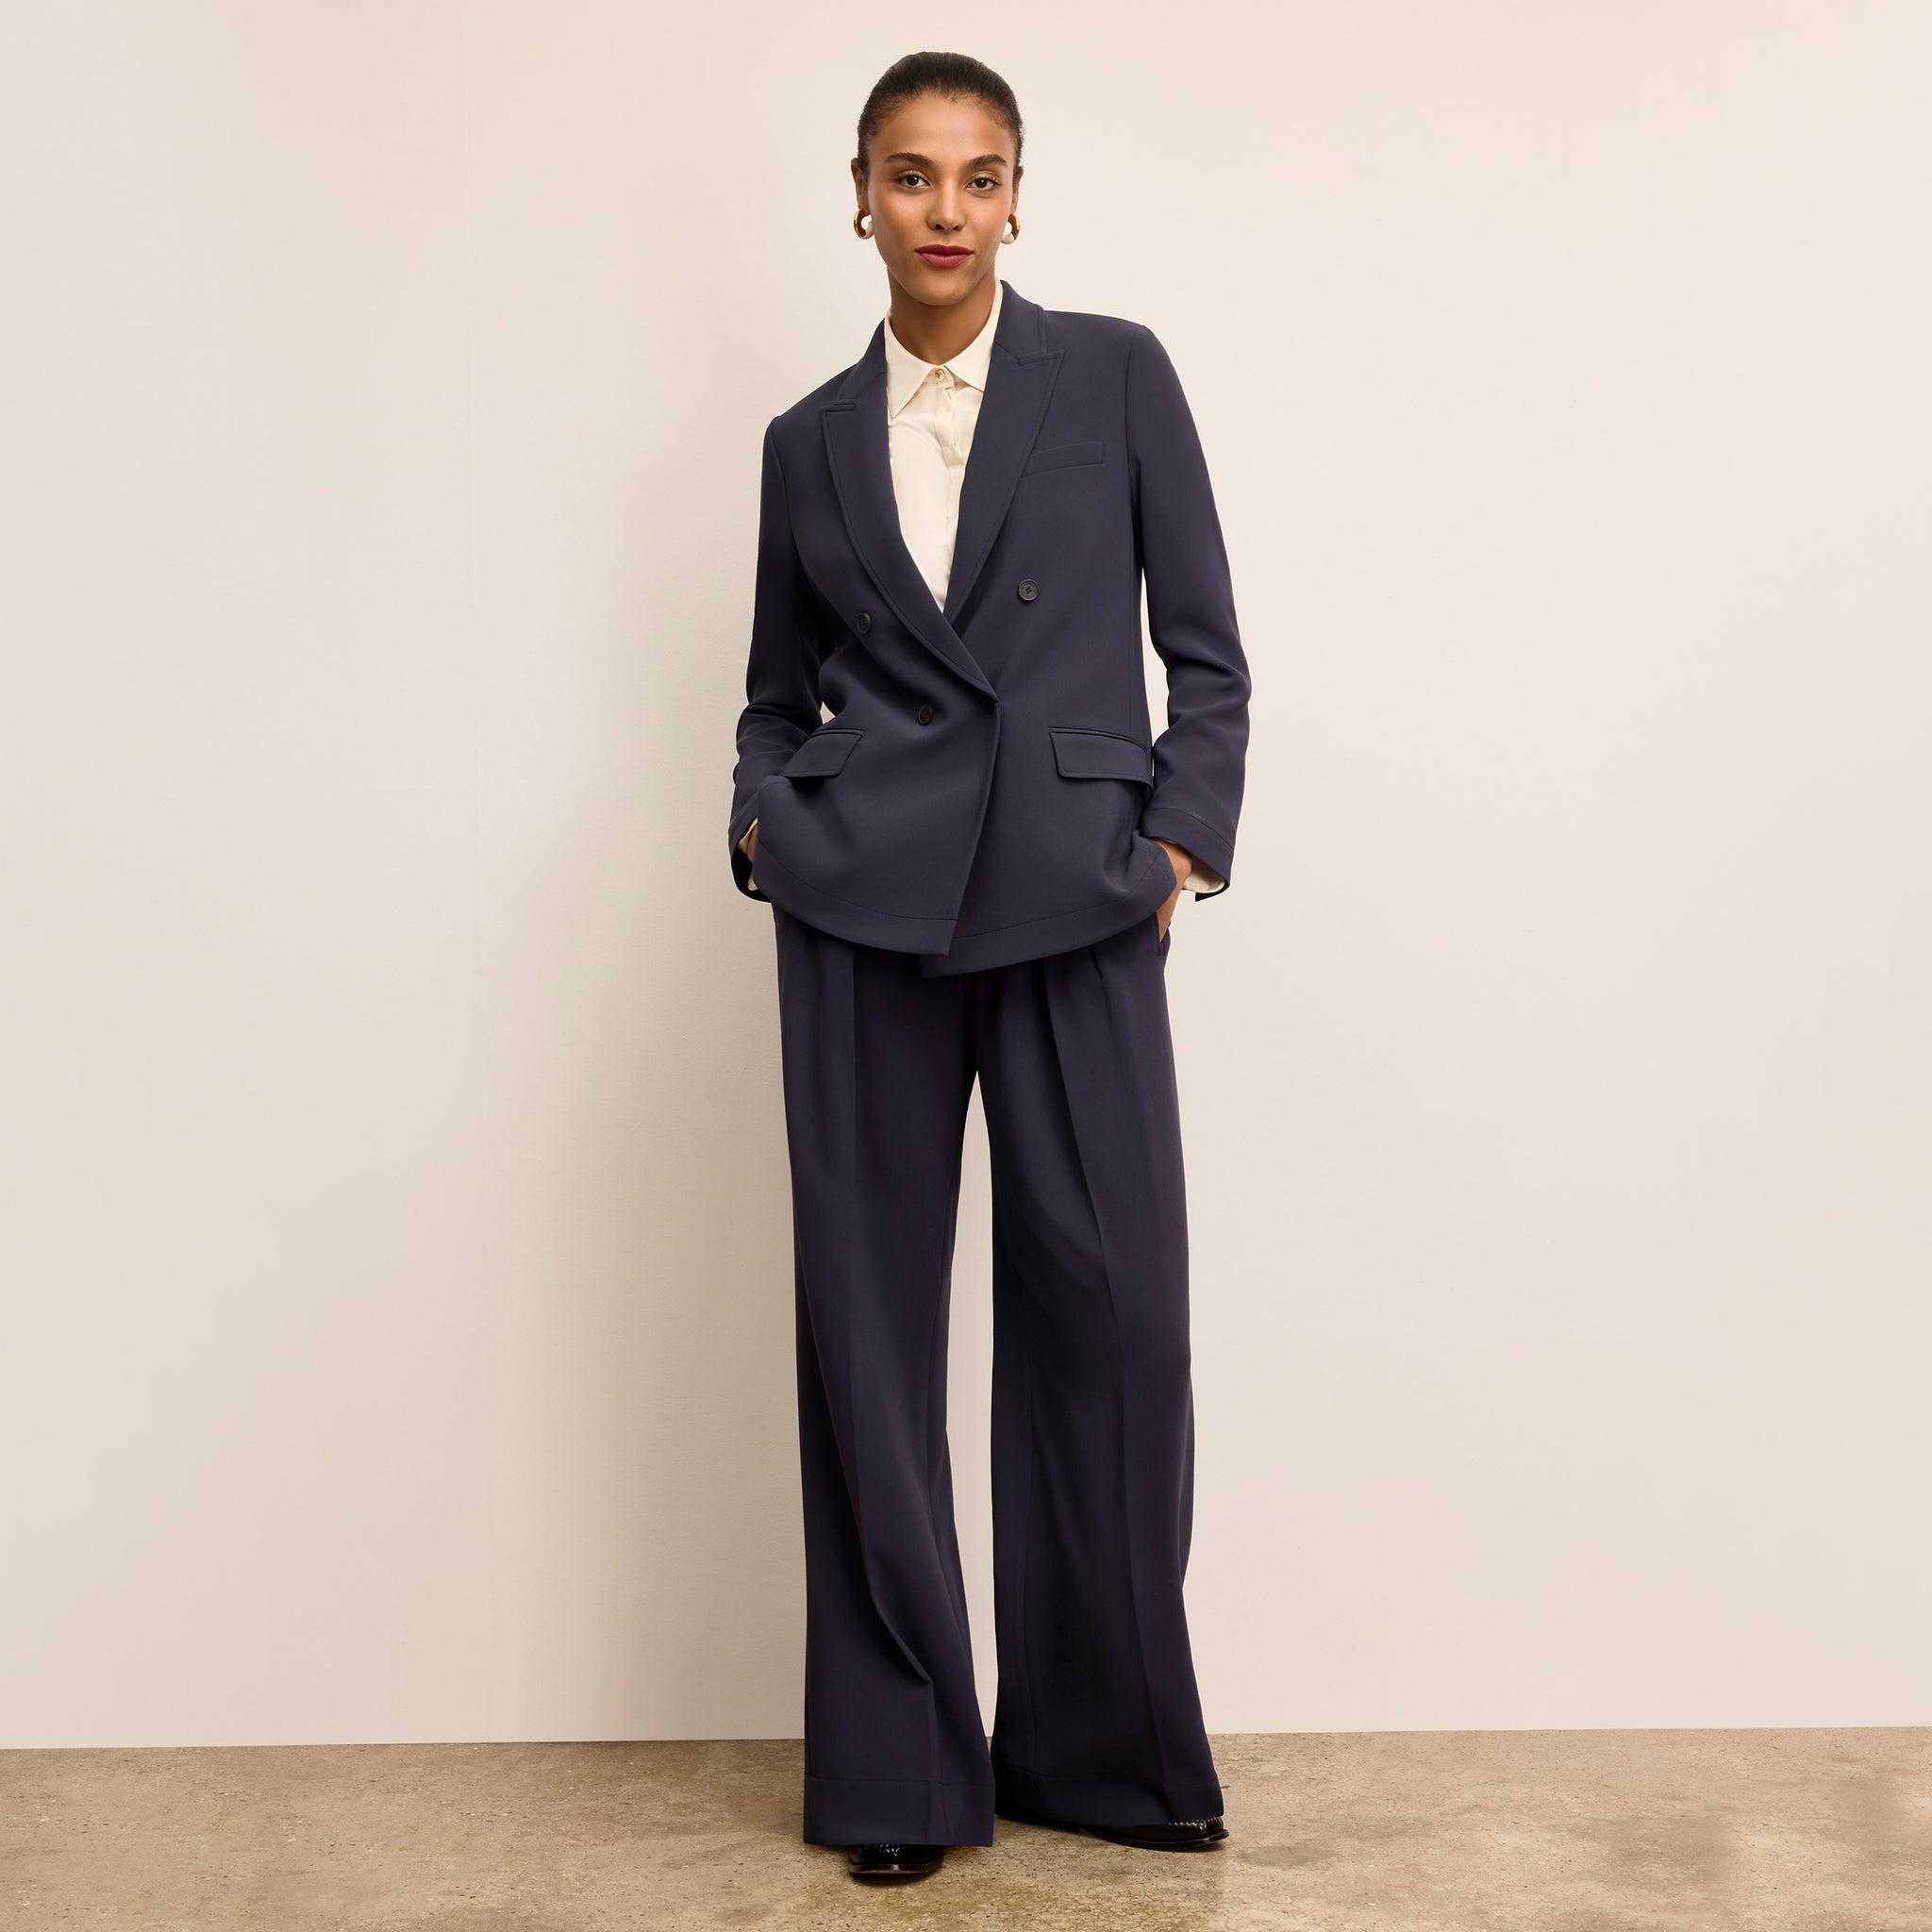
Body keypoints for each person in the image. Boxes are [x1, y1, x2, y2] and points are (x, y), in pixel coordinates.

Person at [726, 50, 1251, 1885]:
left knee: (1117, 1322)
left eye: (977, 174)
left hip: (1075, 892)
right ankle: (895, 1777)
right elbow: (769, 695)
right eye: (908, 174)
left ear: (1018, 198)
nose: (943, 207)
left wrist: (1176, 843)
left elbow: (1209, 652)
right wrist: (759, 820)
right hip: (862, 908)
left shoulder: (1113, 376)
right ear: (856, 195)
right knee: (868, 1340)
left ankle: (1104, 1751)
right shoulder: (804, 440)